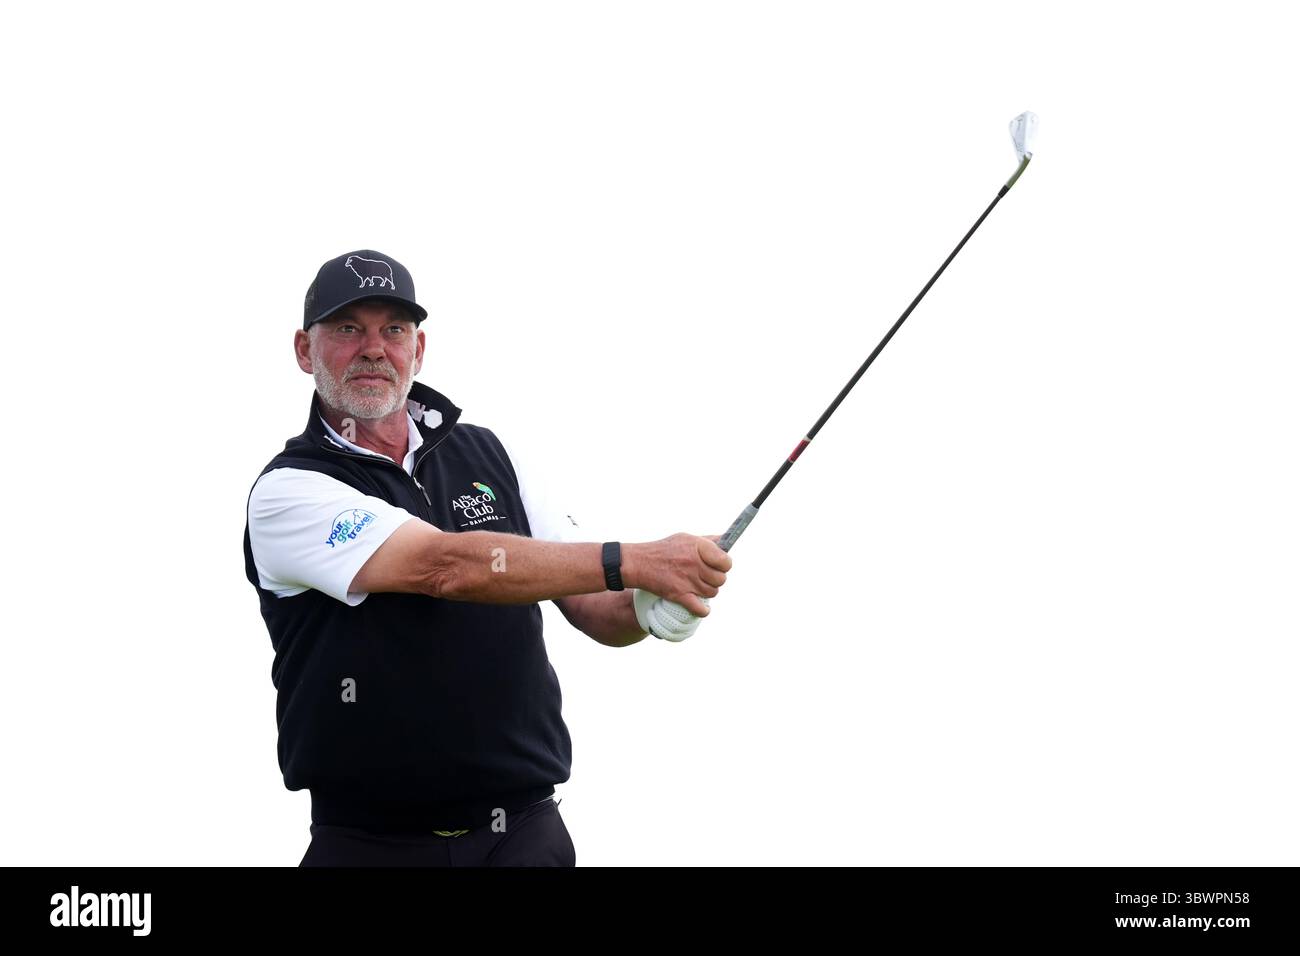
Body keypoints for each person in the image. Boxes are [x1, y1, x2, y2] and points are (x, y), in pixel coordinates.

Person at [241, 249, 733, 866]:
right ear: (303, 350)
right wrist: (637, 561)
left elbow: (593, 604)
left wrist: (654, 604)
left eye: (393, 329)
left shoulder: (489, 455)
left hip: (523, 835)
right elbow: (445, 568)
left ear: (418, 350)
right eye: (348, 329)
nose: (373, 348)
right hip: (370, 847)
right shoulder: (289, 489)